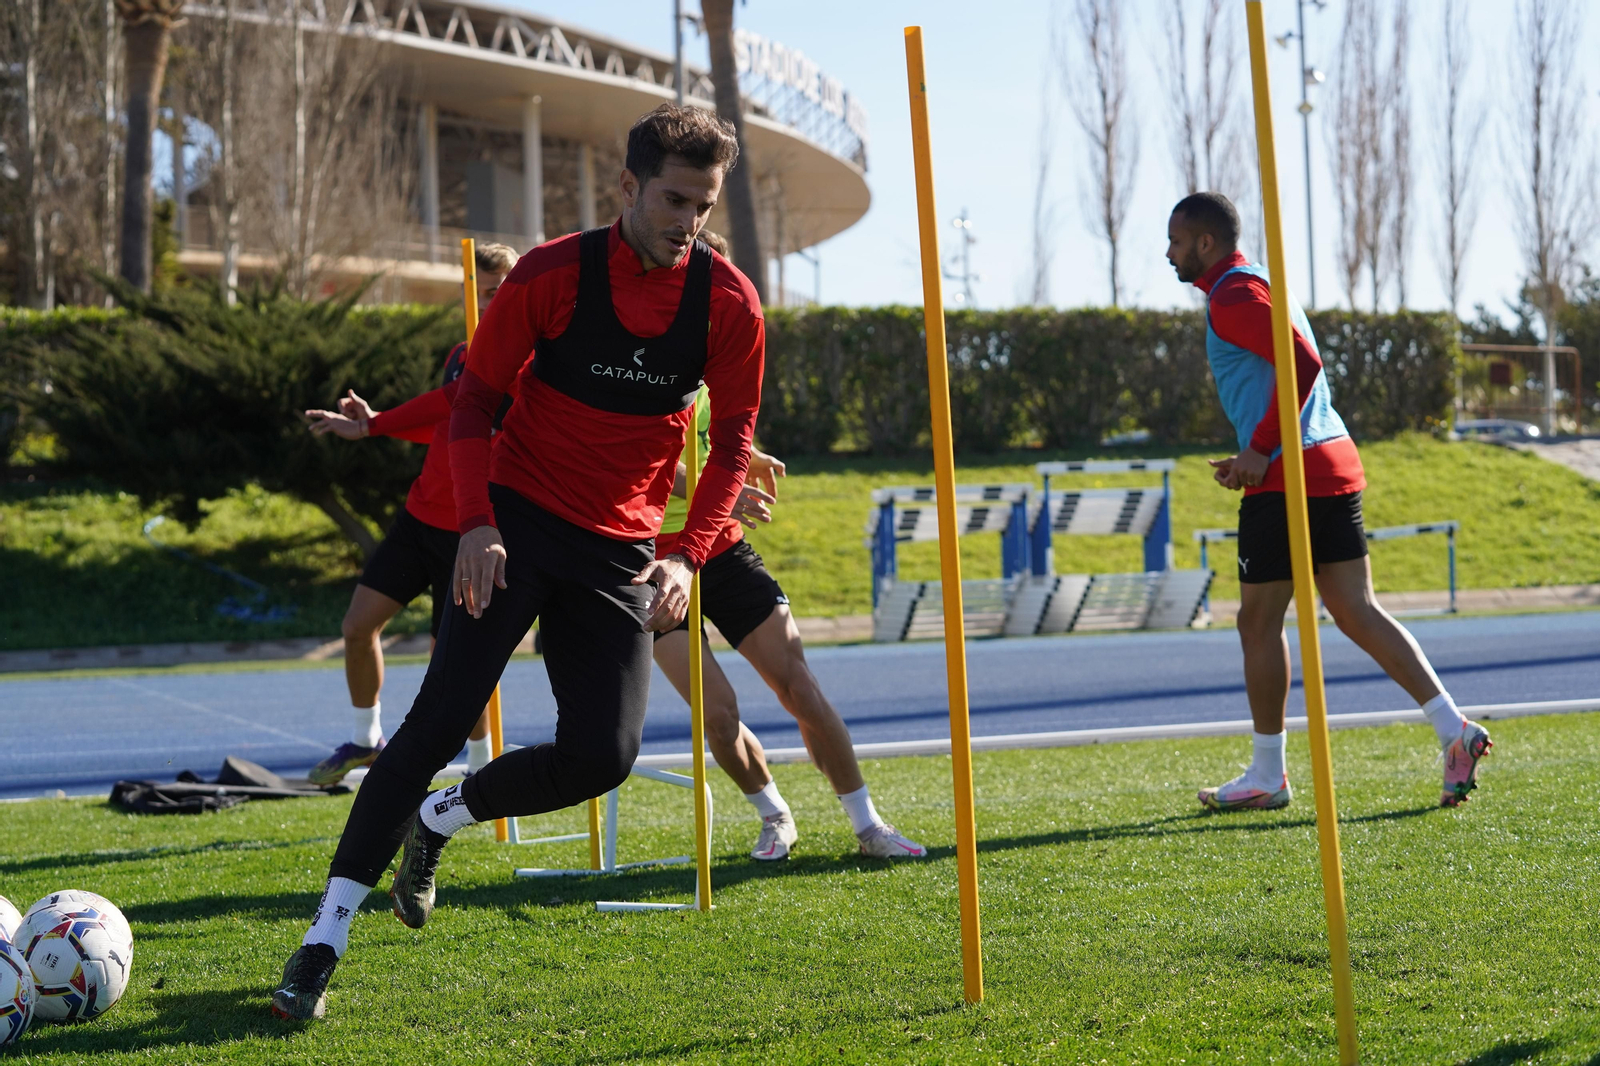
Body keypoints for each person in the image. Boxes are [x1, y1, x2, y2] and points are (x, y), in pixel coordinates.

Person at [272, 103, 764, 1021]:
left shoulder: (729, 301)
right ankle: (323, 939)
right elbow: (470, 408)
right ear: (627, 187)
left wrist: (689, 558)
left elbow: (733, 443)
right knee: (431, 729)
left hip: (618, 550)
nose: (686, 220)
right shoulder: (549, 275)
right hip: (515, 524)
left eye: (702, 203)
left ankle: (440, 822)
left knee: (602, 756)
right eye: (671, 198)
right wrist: (476, 524)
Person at [1164, 191, 1492, 813]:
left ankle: (1267, 774)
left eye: (1177, 242)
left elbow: (1302, 362)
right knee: (1356, 610)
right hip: (1329, 458)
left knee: (1256, 621)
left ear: (1206, 244)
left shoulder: (1232, 295)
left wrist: (1260, 449)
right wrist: (1255, 453)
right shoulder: (1257, 282)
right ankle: (1456, 730)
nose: (1169, 253)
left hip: (1291, 474)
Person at [654, 385, 926, 861]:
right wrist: (719, 490)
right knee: (718, 716)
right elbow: (641, 465)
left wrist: (750, 457)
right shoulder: (624, 375)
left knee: (800, 688)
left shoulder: (707, 380)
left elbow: (709, 439)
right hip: (655, 564)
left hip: (722, 549)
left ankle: (869, 827)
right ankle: (774, 815)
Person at [300, 242, 518, 784]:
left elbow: (451, 405)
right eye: (478, 292)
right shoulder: (458, 354)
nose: (488, 303)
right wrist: (373, 423)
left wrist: (372, 425)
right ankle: (365, 737)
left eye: (497, 293)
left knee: (455, 666)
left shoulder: (522, 360)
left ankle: (480, 763)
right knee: (357, 627)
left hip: (474, 532)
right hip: (421, 520)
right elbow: (441, 420)